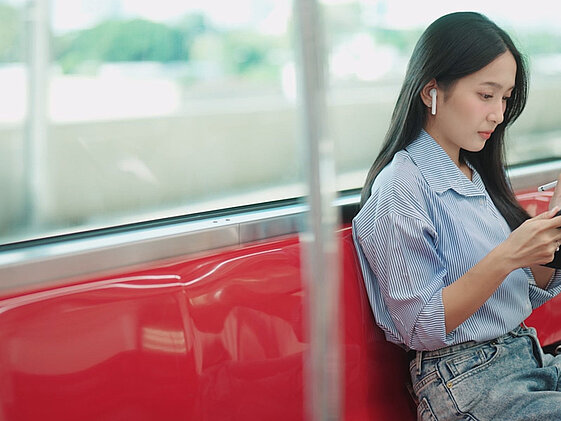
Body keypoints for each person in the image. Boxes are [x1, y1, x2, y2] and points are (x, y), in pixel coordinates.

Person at [352, 11, 561, 421]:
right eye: (486, 95)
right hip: (464, 380)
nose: (499, 114)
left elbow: (527, 284)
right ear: (432, 91)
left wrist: (552, 229)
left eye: (505, 98)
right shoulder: (400, 187)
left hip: (524, 356)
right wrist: (507, 255)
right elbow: (419, 326)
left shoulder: (474, 174)